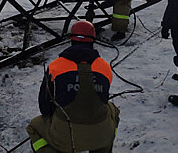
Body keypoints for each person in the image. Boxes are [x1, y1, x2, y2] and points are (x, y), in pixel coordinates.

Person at [26, 21, 120, 152]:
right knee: (113, 111)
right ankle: (102, 147)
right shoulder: (104, 67)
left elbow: (44, 107)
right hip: (100, 135)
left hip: (65, 136)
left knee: (33, 127)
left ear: (72, 40)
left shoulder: (55, 66)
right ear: (93, 40)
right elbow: (102, 100)